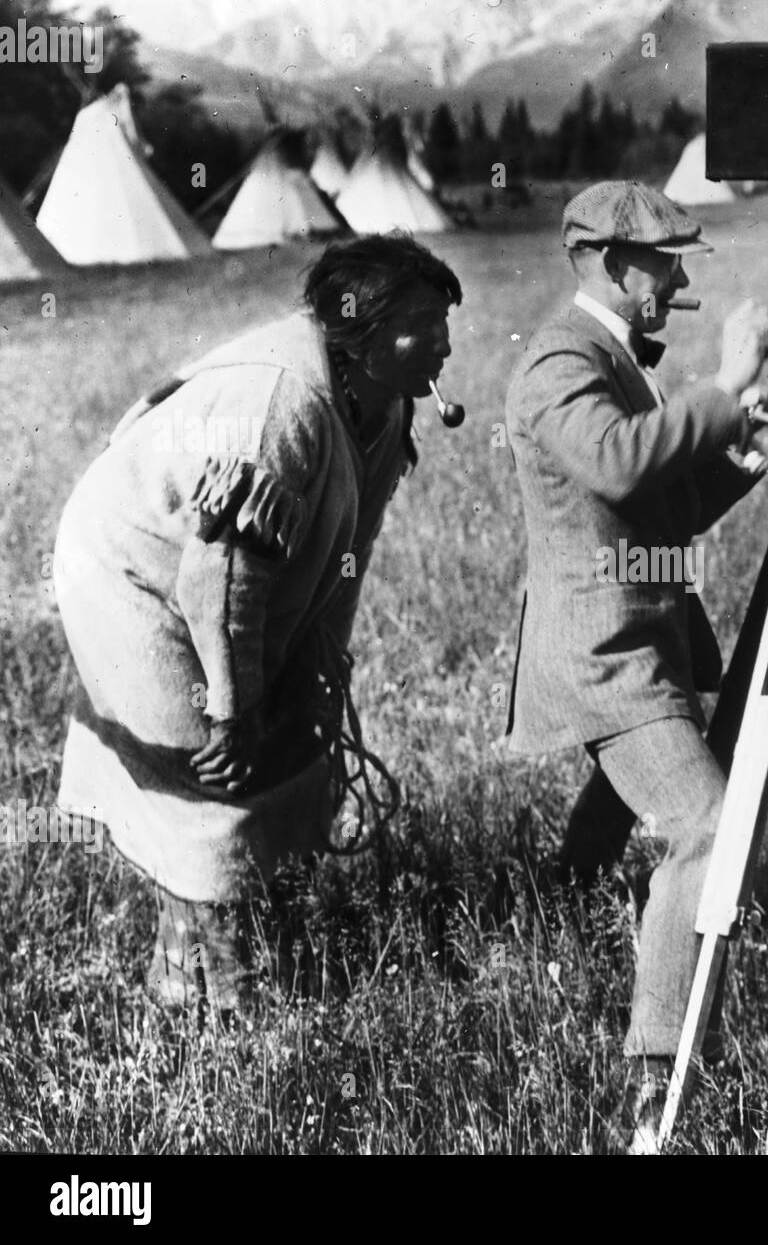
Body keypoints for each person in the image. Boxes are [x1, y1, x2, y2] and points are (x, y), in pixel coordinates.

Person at [52, 233, 462, 1013]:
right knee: (210, 781)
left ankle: (244, 947)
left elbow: (348, 557)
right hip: (136, 569)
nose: (443, 342)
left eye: (444, 322)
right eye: (421, 323)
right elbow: (222, 578)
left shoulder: (383, 406)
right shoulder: (283, 410)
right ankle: (213, 993)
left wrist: (320, 676)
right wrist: (231, 709)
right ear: (362, 334)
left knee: (292, 739)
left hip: (208, 572)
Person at [504, 180, 768, 1151]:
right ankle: (656, 1079)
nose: (675, 281)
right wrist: (725, 381)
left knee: (626, 802)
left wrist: (738, 444)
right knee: (710, 827)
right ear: (614, 265)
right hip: (605, 658)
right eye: (664, 263)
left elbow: (657, 507)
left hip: (637, 641)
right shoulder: (558, 362)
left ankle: (541, 919)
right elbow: (618, 464)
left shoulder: (612, 358)